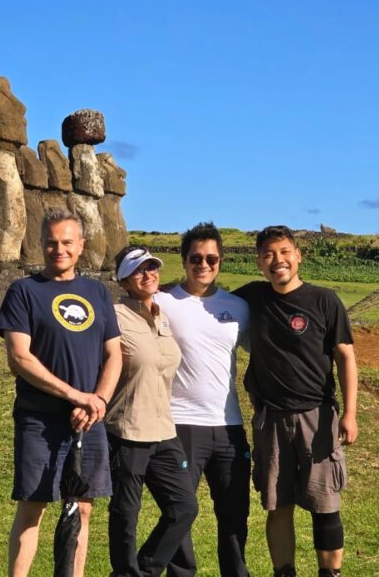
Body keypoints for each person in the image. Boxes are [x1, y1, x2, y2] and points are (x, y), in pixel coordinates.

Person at [0, 209, 123, 577]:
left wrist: (97, 400)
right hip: (41, 417)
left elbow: (114, 353)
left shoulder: (97, 291)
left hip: (89, 420)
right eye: (51, 242)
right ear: (41, 244)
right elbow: (19, 357)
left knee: (83, 507)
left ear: (81, 245)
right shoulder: (24, 291)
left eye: (67, 242)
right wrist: (75, 396)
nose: (58, 249)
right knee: (34, 505)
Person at [233, 226, 359, 577]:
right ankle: (284, 572)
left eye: (285, 251)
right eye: (269, 255)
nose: (278, 260)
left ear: (298, 255)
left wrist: (350, 413)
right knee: (278, 505)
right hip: (271, 419)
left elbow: (346, 357)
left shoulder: (324, 300)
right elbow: (206, 302)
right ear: (259, 262)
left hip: (317, 416)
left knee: (325, 504)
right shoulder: (251, 299)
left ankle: (329, 574)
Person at [156, 223, 251, 577]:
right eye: (196, 258)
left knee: (234, 514)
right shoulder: (163, 301)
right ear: (184, 260)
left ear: (221, 261)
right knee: (180, 513)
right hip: (181, 424)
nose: (204, 265)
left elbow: (266, 351)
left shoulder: (238, 307)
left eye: (211, 258)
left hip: (229, 426)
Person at [106, 245, 199, 577]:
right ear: (124, 279)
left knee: (184, 508)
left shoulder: (162, 316)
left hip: (164, 430)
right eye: (139, 269)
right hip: (127, 430)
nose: (148, 274)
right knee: (126, 513)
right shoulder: (114, 316)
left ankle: (145, 571)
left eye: (152, 267)